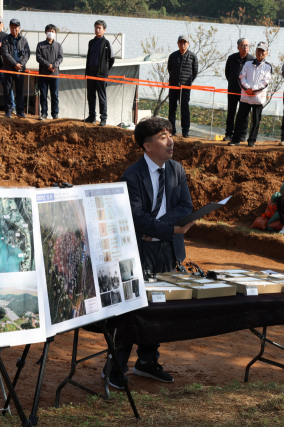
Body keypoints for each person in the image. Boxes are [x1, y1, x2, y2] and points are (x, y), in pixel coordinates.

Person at [112, 117, 195, 390]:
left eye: (170, 134)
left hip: (167, 249)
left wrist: (164, 230)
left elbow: (185, 206)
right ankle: (115, 366)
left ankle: (147, 360)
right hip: (141, 249)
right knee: (133, 308)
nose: (171, 141)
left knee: (159, 307)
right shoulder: (132, 176)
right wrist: (169, 228)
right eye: (163, 136)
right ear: (147, 146)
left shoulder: (177, 170)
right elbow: (134, 217)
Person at [229, 41, 272, 147]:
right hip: (246, 96)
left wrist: (253, 89)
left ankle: (252, 140)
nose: (260, 53)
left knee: (256, 120)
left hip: (258, 97)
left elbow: (265, 82)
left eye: (262, 51)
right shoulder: (247, 64)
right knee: (240, 118)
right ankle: (235, 139)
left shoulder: (268, 67)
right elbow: (241, 77)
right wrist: (247, 88)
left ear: (266, 53)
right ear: (255, 51)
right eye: (258, 50)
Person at [84, 20, 114, 126]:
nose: (97, 30)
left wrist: (104, 70)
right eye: (96, 27)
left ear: (104, 30)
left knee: (102, 96)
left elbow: (111, 59)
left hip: (101, 74)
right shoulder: (91, 42)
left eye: (99, 28)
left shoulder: (106, 43)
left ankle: (103, 118)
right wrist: (87, 72)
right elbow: (88, 57)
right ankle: (92, 116)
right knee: (91, 95)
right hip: (91, 72)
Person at [167, 35, 198, 138]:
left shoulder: (193, 57)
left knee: (184, 109)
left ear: (188, 44)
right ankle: (172, 130)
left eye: (185, 42)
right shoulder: (173, 56)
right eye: (181, 42)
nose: (183, 44)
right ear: (178, 43)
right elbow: (169, 69)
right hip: (173, 86)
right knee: (172, 108)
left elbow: (195, 71)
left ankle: (185, 131)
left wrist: (188, 82)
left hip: (185, 88)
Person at [223, 38, 253, 142]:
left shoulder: (252, 60)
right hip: (232, 89)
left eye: (247, 45)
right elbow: (227, 73)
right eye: (243, 45)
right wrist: (233, 82)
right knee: (231, 112)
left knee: (244, 114)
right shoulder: (231, 58)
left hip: (245, 91)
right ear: (238, 47)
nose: (245, 47)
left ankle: (242, 135)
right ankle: (228, 134)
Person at [1, 19, 30, 119]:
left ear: (19, 28)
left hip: (20, 70)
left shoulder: (24, 40)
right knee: (8, 90)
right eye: (12, 27)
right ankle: (8, 111)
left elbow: (27, 54)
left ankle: (20, 111)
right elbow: (5, 54)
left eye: (16, 27)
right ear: (10, 28)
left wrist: (20, 65)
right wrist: (14, 64)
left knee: (20, 91)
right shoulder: (5, 39)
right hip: (9, 68)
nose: (14, 29)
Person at [36, 24, 63, 120]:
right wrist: (48, 65)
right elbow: (38, 57)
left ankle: (55, 114)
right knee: (43, 94)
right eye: (49, 31)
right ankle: (43, 113)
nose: (50, 33)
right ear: (45, 32)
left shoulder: (58, 46)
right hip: (43, 74)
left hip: (54, 75)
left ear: (55, 33)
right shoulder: (40, 45)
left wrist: (54, 65)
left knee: (54, 95)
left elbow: (60, 57)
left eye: (53, 31)